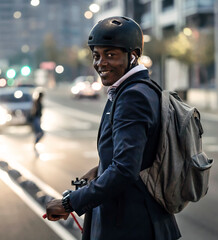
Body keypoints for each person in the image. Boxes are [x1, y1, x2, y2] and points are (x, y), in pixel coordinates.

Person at [45, 16, 181, 240]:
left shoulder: (133, 96)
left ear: (133, 55)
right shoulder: (139, 88)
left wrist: (70, 203)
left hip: (133, 227)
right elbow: (135, 154)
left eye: (111, 55)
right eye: (96, 56)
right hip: (135, 222)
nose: (101, 63)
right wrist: (100, 170)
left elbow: (125, 169)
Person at [29, 89, 44, 156]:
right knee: (40, 133)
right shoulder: (37, 102)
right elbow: (34, 111)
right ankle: (35, 143)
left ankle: (35, 143)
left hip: (37, 119)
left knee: (38, 133)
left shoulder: (38, 102)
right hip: (36, 119)